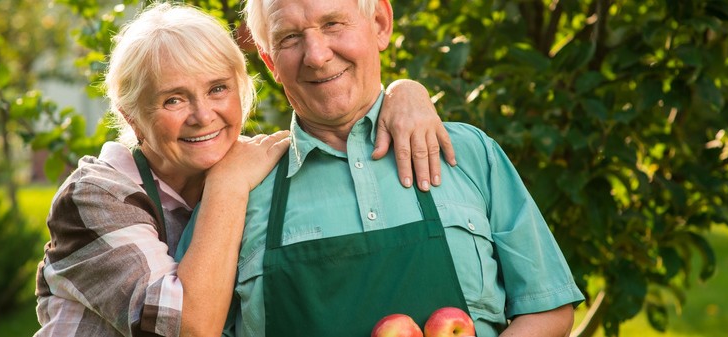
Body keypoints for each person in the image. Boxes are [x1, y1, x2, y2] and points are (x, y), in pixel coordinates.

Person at [33, 2, 455, 336]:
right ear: (130, 116)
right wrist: (228, 187)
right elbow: (189, 329)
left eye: (218, 89)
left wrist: (405, 93)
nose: (203, 116)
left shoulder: (251, 163)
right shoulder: (97, 196)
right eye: (173, 100)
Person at [178, 0, 587, 336]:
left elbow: (548, 309)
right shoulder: (235, 190)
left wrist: (407, 88)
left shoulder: (468, 153)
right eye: (290, 38)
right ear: (269, 62)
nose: (317, 56)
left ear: (380, 23)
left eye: (334, 24)